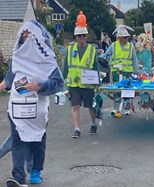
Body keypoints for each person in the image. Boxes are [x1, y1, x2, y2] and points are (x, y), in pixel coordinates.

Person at [0, 19, 64, 187]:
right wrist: (2, 86)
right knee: (17, 141)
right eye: (24, 34)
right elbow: (10, 78)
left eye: (30, 34)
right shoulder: (17, 59)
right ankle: (18, 176)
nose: (26, 37)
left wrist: (40, 86)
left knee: (37, 141)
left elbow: (58, 83)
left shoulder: (48, 62)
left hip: (38, 110)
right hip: (16, 107)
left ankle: (36, 170)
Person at [63, 11, 99, 139]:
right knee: (75, 106)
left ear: (86, 36)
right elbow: (66, 66)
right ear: (75, 37)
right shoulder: (70, 49)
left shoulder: (92, 50)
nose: (81, 38)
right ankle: (77, 129)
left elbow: (95, 66)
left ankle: (93, 124)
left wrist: (97, 80)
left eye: (83, 35)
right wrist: (63, 81)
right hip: (74, 83)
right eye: (79, 36)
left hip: (88, 83)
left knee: (90, 106)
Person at [102, 25, 139, 117]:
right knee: (117, 91)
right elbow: (107, 55)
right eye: (124, 37)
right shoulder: (114, 46)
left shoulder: (131, 46)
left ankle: (127, 108)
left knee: (127, 91)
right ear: (119, 38)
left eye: (127, 37)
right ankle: (116, 108)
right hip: (116, 72)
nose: (126, 39)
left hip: (128, 72)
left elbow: (134, 60)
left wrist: (136, 71)